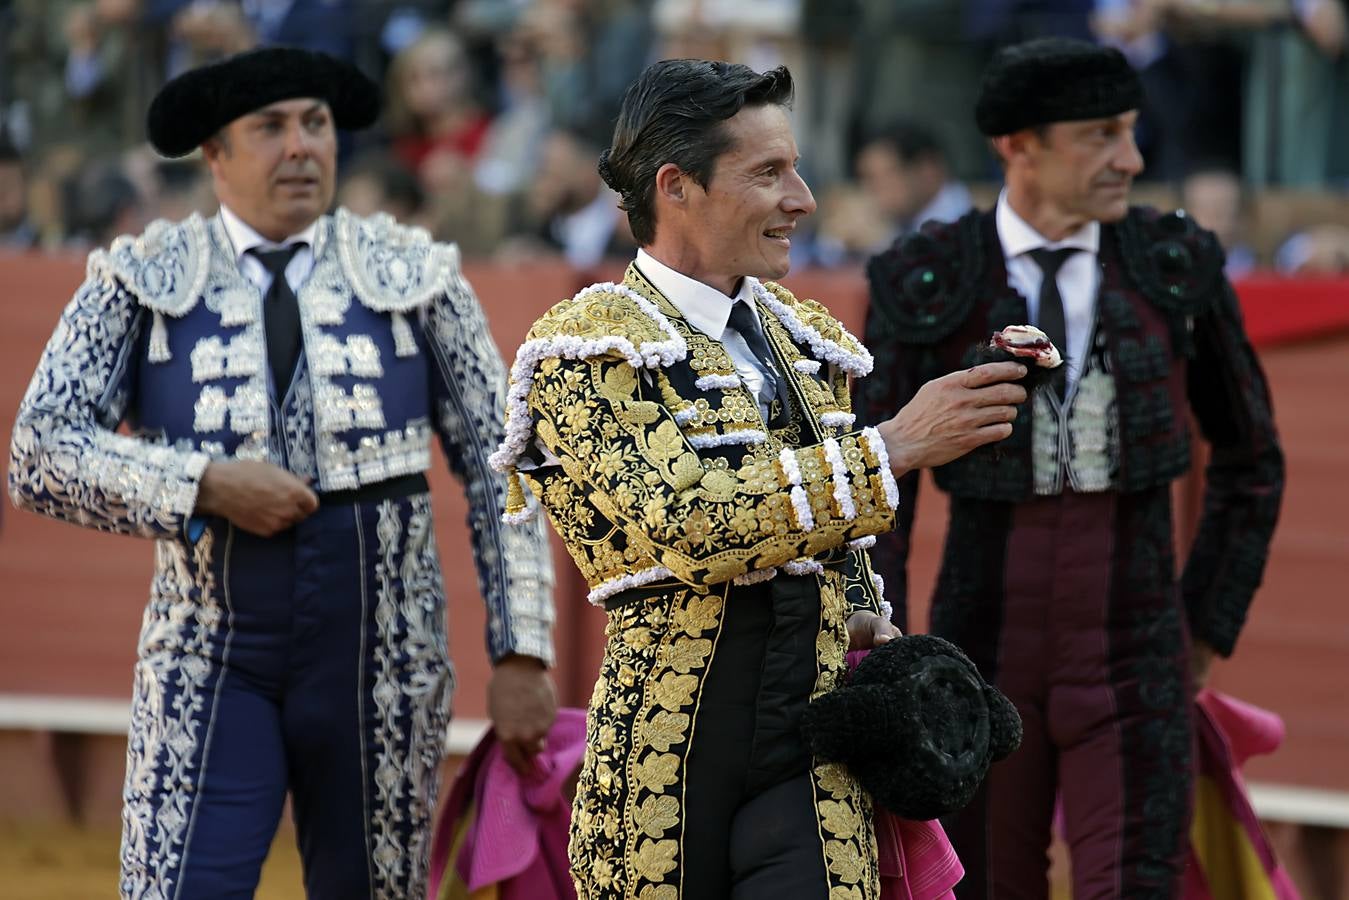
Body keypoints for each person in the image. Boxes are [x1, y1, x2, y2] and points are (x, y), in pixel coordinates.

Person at [7, 46, 556, 899]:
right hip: (207, 650)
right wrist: (202, 484)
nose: (301, 146)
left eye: (316, 124)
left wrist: (522, 650)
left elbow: (506, 464)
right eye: (270, 127)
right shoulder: (139, 279)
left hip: (383, 657)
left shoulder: (415, 276)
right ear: (215, 153)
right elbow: (38, 448)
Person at [489, 58, 1029, 900]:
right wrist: (892, 447)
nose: (802, 199)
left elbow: (838, 541)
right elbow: (688, 524)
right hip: (666, 752)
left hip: (813, 747)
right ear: (676, 187)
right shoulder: (587, 348)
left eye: (795, 169)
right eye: (767, 172)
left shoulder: (802, 338)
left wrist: (865, 617)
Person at [859, 37, 1284, 900]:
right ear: (1018, 145)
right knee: (983, 884)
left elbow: (1250, 457)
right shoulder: (926, 276)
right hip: (978, 649)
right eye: (1099, 135)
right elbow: (878, 474)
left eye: (1128, 130)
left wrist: (1204, 624)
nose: (1130, 158)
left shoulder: (1174, 265)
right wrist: (882, 641)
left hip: (1136, 647)